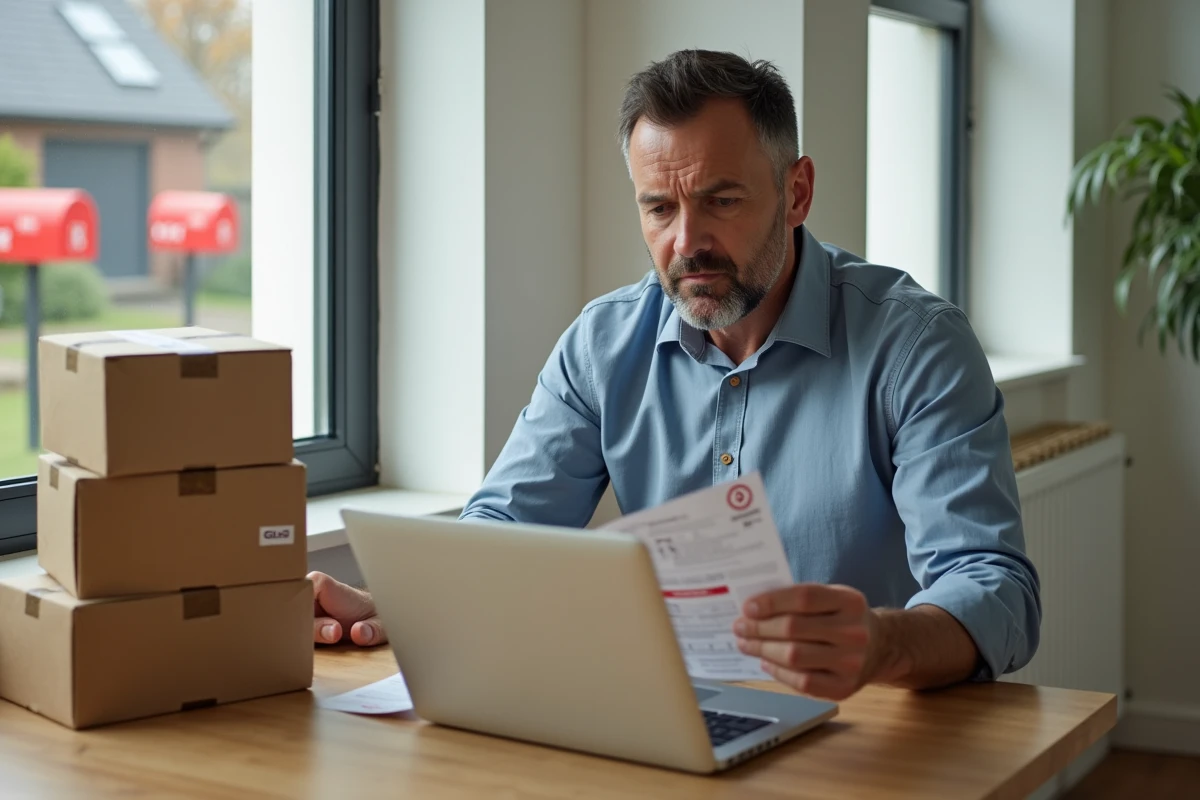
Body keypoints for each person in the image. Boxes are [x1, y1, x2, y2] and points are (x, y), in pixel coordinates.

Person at [310, 49, 1041, 703]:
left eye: (721, 200)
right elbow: (503, 532)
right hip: (664, 713)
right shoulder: (603, 344)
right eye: (660, 208)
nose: (687, 242)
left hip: (863, 730)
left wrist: (882, 644)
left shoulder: (916, 346)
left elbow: (996, 588)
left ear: (797, 193)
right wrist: (395, 605)